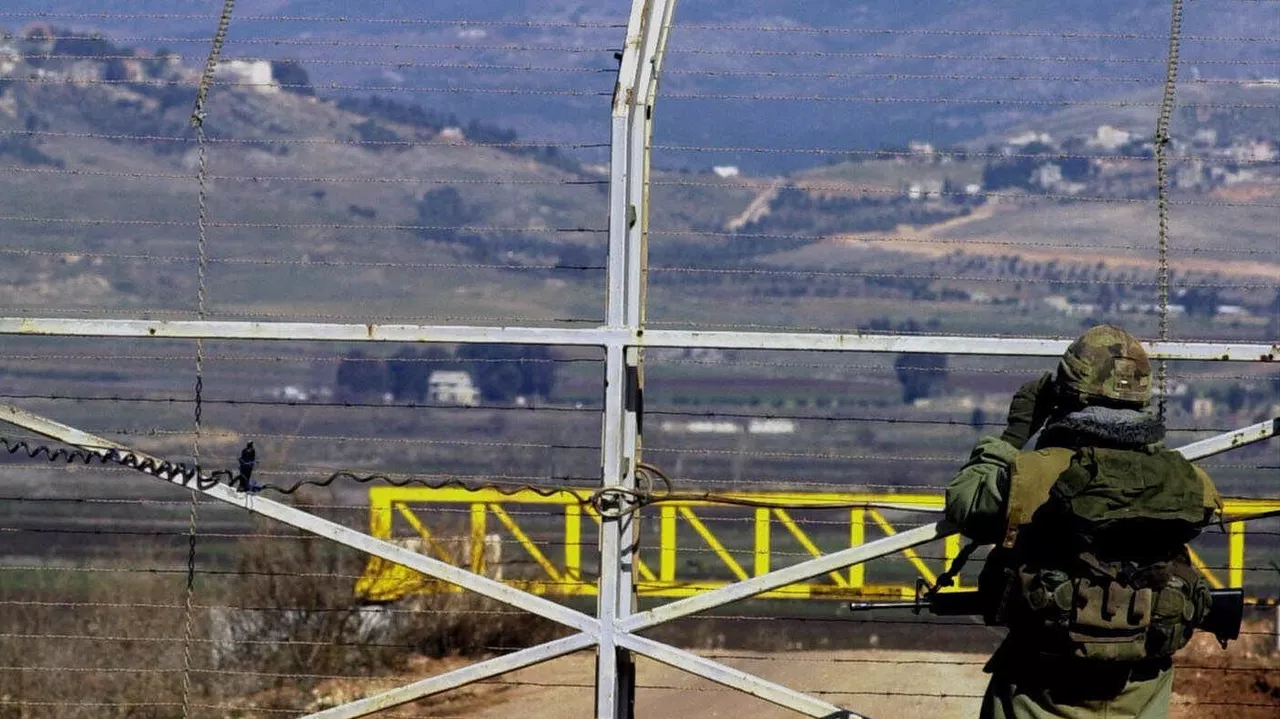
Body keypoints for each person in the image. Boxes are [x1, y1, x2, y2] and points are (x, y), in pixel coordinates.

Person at [944, 325, 1223, 719]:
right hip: (1140, 689)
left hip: (1040, 687)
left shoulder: (1034, 476)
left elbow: (962, 503)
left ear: (1066, 391)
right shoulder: (1186, 481)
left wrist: (1015, 433)